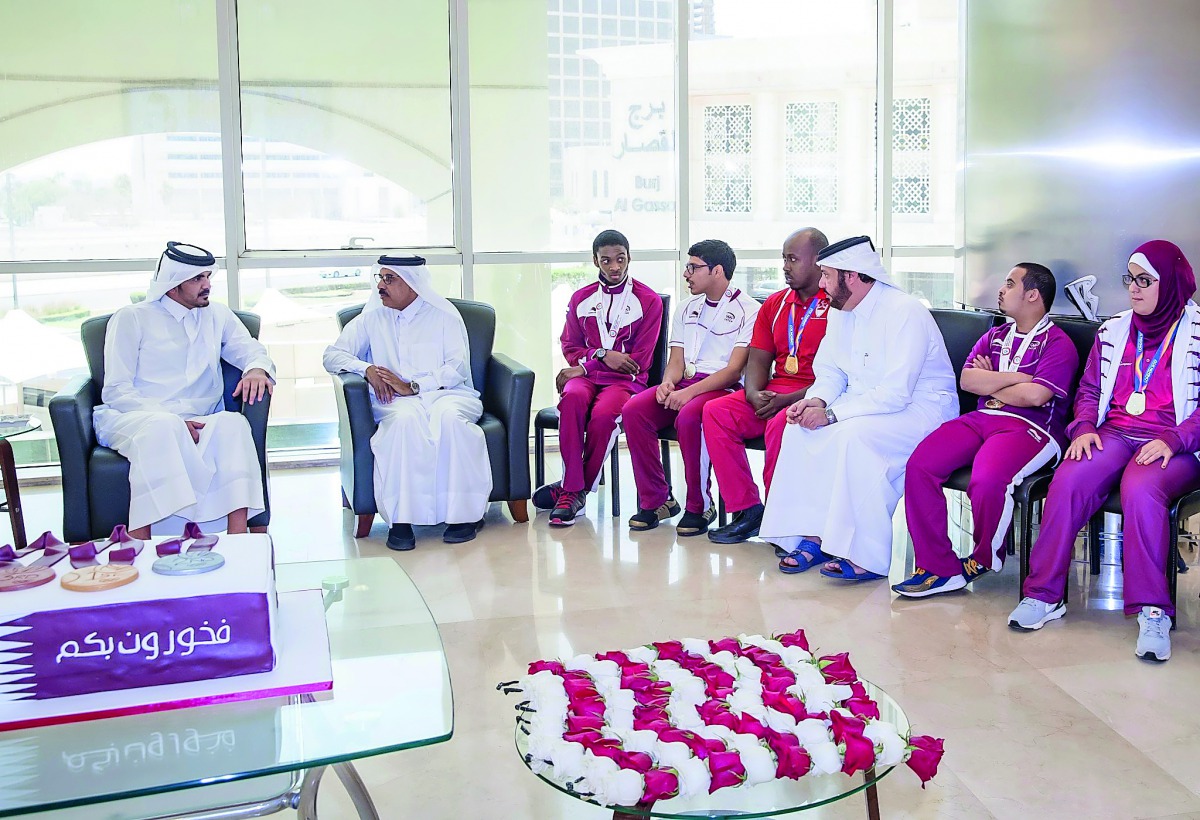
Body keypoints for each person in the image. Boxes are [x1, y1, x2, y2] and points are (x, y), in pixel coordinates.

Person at [1010, 240, 1200, 663]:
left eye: (1145, 280)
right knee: (1070, 477)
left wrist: (1174, 440)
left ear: (1170, 283)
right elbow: (1090, 389)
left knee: (1142, 489)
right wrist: (1081, 427)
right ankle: (1043, 594)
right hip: (1114, 433)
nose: (1133, 288)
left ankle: (1153, 611)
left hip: (1177, 444)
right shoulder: (1114, 329)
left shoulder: (1197, 331)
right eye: (1130, 278)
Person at [759, 236, 957, 580]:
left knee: (853, 438)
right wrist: (815, 401)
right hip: (864, 404)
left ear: (851, 276)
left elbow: (896, 393)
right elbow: (831, 372)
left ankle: (867, 555)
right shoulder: (842, 311)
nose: (822, 284)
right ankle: (814, 537)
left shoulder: (904, 311)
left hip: (921, 410)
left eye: (826, 275)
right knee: (800, 431)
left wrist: (831, 415)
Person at [894, 263, 1078, 597]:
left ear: (1033, 295)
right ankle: (938, 567)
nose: (1001, 290)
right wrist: (1017, 379)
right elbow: (968, 380)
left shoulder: (1058, 343)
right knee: (920, 464)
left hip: (1031, 427)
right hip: (982, 419)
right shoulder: (994, 336)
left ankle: (982, 558)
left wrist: (991, 382)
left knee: (988, 478)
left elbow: (1037, 396)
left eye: (1010, 284)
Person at [94, 242, 274, 538]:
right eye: (198, 279)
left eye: (208, 277)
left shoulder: (217, 315)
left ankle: (239, 539)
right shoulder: (132, 318)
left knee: (234, 424)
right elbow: (116, 389)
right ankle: (140, 543)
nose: (207, 285)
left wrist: (256, 368)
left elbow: (250, 349)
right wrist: (175, 421)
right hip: (136, 416)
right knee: (163, 428)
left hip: (201, 418)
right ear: (173, 283)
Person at [323, 255, 491, 550]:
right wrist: (367, 368)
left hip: (448, 394)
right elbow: (331, 356)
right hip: (395, 402)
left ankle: (463, 517)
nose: (381, 286)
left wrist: (414, 386)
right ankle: (401, 522)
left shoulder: (444, 316)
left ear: (413, 283)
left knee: (450, 421)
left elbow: (456, 368)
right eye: (380, 278)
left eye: (390, 279)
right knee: (403, 423)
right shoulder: (372, 318)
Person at [622, 240, 761, 535]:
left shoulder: (749, 310)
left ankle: (699, 505)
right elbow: (676, 359)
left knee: (689, 416)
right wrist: (668, 383)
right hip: (685, 383)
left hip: (722, 388)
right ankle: (657, 500)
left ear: (717, 271)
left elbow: (733, 371)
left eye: (693, 267)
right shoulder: (686, 307)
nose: (686, 273)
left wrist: (688, 394)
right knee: (634, 410)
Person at [705, 228, 831, 544]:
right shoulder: (775, 303)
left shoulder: (837, 306)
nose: (785, 267)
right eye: (784, 259)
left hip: (817, 396)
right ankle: (749, 512)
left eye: (793, 259)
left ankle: (782, 521)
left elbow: (839, 376)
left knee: (779, 425)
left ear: (818, 261)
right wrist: (752, 393)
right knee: (716, 411)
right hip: (774, 393)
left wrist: (784, 401)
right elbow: (758, 359)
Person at [537, 230, 664, 527]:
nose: (614, 267)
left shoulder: (648, 301)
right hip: (587, 376)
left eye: (620, 259)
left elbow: (639, 362)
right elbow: (570, 347)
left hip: (625, 381)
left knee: (605, 416)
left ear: (629, 258)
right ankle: (574, 490)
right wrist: (602, 355)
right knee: (572, 398)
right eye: (606, 260)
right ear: (595, 261)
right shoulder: (581, 298)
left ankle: (571, 490)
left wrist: (589, 364)